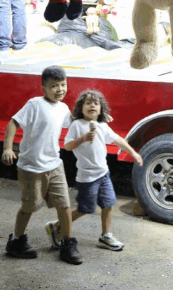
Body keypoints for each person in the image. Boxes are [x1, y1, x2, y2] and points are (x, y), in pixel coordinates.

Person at [1, 65, 82, 265]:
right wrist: (7, 148)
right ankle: (16, 241)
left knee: (64, 205)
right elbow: (13, 123)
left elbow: (75, 124)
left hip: (54, 165)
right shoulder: (34, 104)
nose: (60, 89)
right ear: (43, 88)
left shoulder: (63, 108)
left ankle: (67, 243)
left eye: (63, 85)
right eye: (54, 86)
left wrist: (97, 119)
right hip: (31, 167)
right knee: (30, 206)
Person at [44, 89, 143, 252]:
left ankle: (106, 236)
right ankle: (56, 226)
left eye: (96, 103)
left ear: (101, 109)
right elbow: (67, 146)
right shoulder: (77, 125)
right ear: (80, 108)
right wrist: (83, 138)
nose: (92, 106)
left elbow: (117, 139)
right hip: (87, 177)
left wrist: (133, 152)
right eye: (88, 103)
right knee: (85, 208)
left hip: (103, 174)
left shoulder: (102, 126)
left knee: (108, 204)